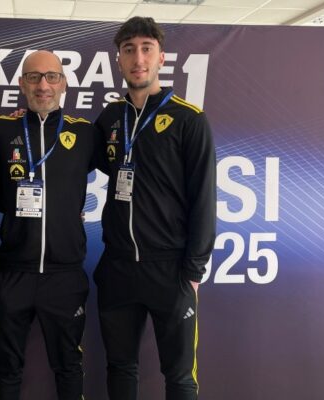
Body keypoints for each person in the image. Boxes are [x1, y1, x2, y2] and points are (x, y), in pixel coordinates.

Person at [93, 17, 216, 400]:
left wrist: (193, 271)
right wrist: (30, 122)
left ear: (162, 57)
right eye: (129, 49)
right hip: (118, 267)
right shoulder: (110, 118)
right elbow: (71, 157)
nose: (138, 58)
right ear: (119, 59)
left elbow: (204, 199)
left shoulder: (188, 119)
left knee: (179, 378)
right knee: (120, 368)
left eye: (147, 48)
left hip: (171, 269)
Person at [0, 50, 100, 400]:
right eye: (33, 77)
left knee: (69, 367)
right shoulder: (0, 130)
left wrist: (63, 212)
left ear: (63, 84)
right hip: (13, 273)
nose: (43, 85)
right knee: (7, 369)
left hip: (65, 275)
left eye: (51, 77)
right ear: (22, 84)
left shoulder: (84, 133)